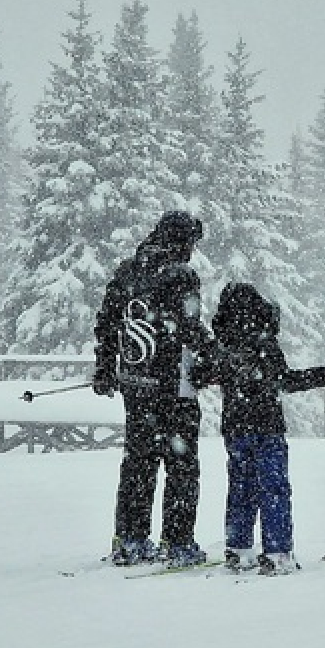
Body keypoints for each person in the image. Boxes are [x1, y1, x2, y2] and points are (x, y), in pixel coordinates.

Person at [192, 282, 325, 575]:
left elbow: (201, 374)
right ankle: (277, 553)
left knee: (241, 488)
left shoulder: (222, 345)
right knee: (274, 489)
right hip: (267, 427)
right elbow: (285, 380)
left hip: (235, 429)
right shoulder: (264, 344)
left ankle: (239, 549)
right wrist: (324, 374)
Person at [92, 210, 211, 568]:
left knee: (138, 463)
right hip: (174, 385)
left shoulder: (127, 271)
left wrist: (105, 367)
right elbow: (189, 328)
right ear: (183, 241)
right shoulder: (181, 275)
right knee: (181, 465)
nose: (192, 251)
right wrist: (218, 355)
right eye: (191, 243)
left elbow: (107, 322)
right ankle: (178, 542)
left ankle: (130, 539)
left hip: (135, 383)